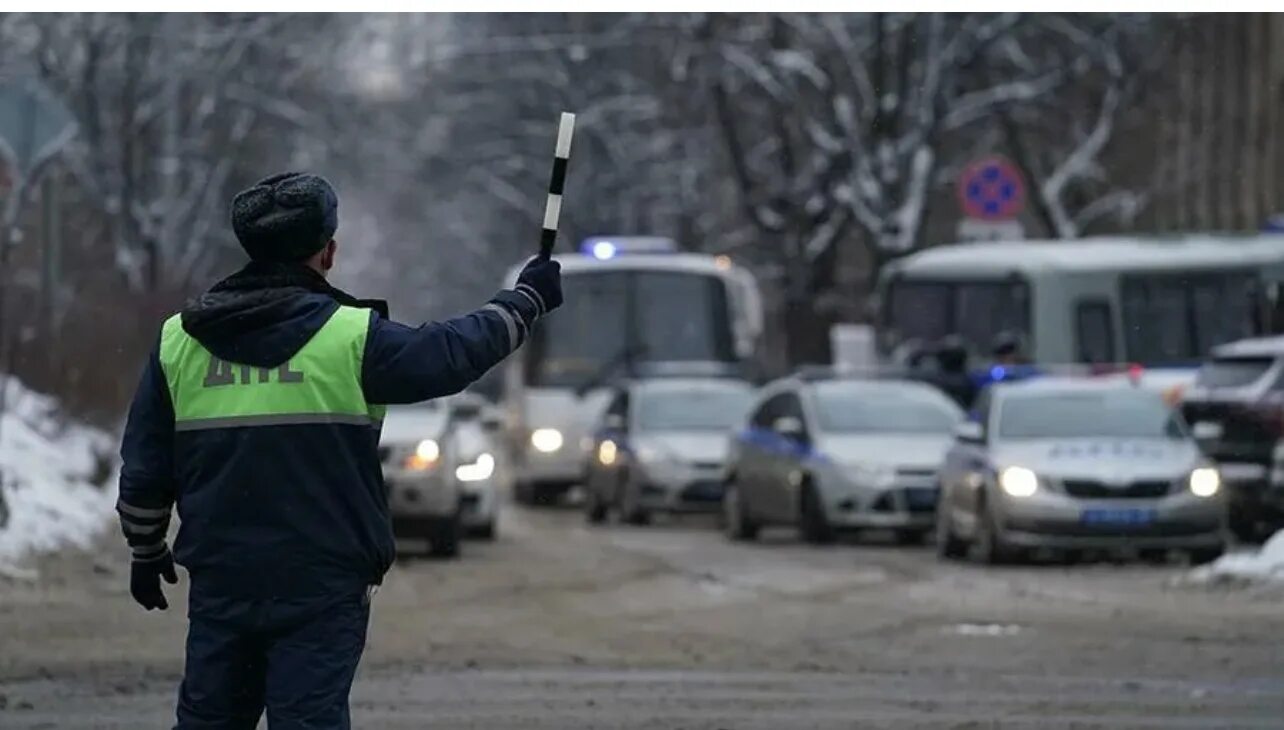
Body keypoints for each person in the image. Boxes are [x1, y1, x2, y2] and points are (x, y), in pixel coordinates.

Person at [115, 172, 562, 729]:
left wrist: (145, 547)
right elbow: (449, 354)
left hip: (224, 577)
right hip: (321, 581)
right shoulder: (351, 338)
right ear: (328, 251)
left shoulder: (178, 341)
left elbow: (145, 468)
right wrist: (523, 303)